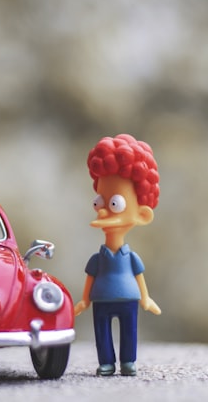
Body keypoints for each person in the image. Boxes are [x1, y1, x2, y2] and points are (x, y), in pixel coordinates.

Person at [73, 134, 161, 377]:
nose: (102, 212)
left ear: (142, 215)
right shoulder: (97, 259)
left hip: (129, 298)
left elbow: (139, 275)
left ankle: (128, 361)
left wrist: (145, 298)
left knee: (129, 330)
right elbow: (90, 277)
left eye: (114, 204)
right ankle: (106, 362)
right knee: (101, 330)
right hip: (100, 298)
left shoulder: (130, 257)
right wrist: (84, 300)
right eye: (98, 202)